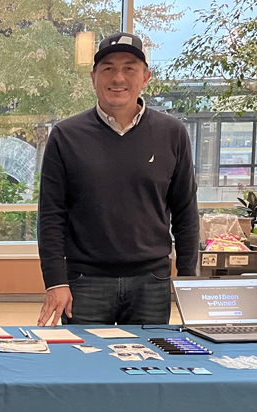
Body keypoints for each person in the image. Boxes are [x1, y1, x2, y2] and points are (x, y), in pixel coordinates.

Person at [36, 32, 199, 326]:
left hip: (152, 281)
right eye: (108, 68)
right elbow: (51, 216)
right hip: (85, 282)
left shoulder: (172, 133)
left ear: (145, 77)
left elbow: (185, 211)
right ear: (93, 77)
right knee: (86, 367)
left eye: (129, 68)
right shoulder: (66, 136)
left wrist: (188, 280)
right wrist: (55, 281)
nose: (118, 77)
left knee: (149, 366)